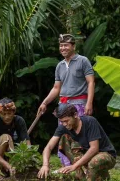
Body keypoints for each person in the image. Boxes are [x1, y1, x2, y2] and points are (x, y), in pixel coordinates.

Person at [38, 33, 95, 166]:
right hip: (63, 106)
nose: (63, 48)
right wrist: (45, 102)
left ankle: (83, 166)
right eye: (61, 45)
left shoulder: (83, 61)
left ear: (73, 46)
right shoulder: (60, 66)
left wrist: (89, 103)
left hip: (79, 104)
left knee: (80, 135)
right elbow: (56, 88)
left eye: (66, 45)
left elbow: (91, 82)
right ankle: (67, 167)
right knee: (64, 135)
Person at [38, 104, 116, 181]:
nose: (64, 124)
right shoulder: (63, 127)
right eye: (62, 122)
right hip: (87, 156)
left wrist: (74, 166)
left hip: (106, 155)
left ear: (75, 115)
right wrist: (45, 165)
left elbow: (94, 148)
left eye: (66, 121)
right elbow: (49, 147)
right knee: (64, 137)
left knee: (94, 162)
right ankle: (84, 177)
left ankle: (97, 174)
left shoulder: (90, 121)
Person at [0, 98, 31, 180]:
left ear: (13, 112)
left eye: (9, 113)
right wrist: (7, 165)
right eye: (3, 114)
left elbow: (27, 143)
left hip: (11, 152)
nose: (7, 117)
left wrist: (28, 159)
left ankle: (8, 172)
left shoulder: (19, 121)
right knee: (6, 137)